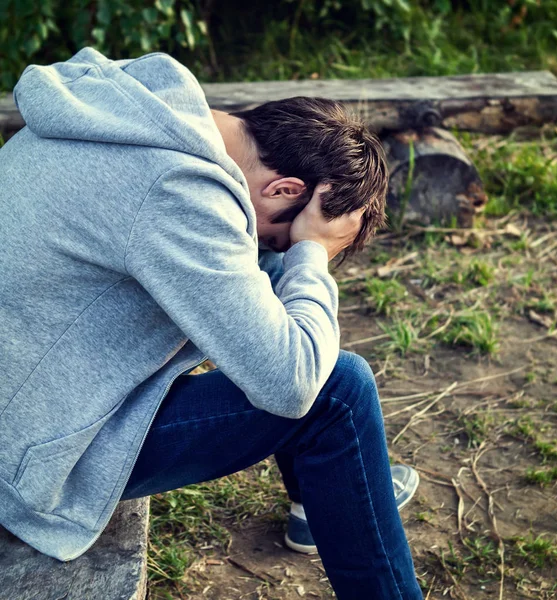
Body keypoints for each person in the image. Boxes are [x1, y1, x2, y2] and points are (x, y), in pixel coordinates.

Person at [0, 48, 422, 599]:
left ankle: (330, 496)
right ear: (286, 190)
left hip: (23, 396)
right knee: (337, 393)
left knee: (268, 285)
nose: (272, 245)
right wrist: (311, 253)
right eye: (277, 233)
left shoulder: (128, 111)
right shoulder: (178, 190)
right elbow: (289, 384)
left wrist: (286, 256)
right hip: (28, 460)